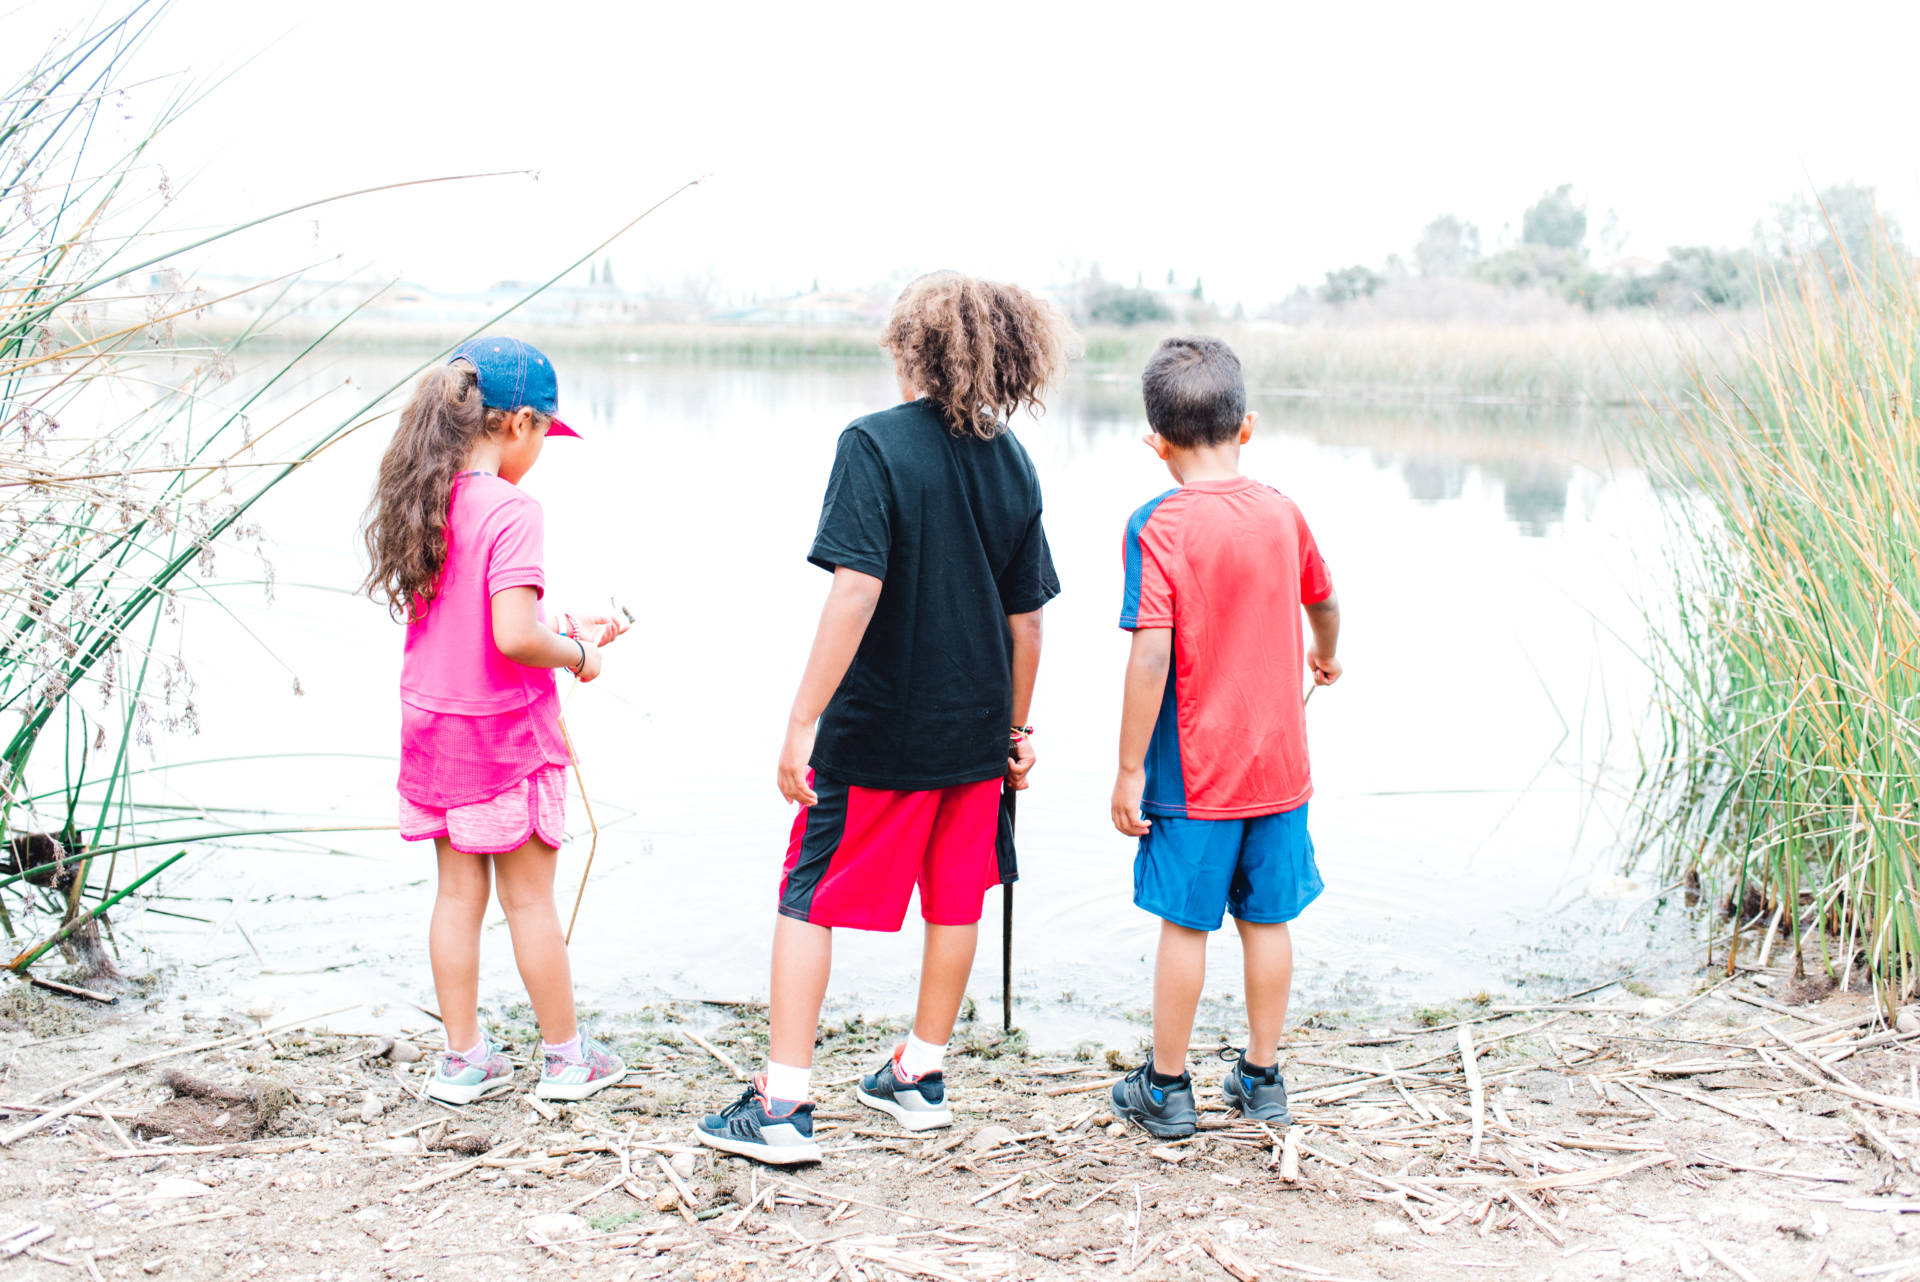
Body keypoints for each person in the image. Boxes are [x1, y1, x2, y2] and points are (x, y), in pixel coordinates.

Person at [695, 272, 1073, 1164]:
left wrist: (801, 720)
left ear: (912, 351)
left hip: (881, 732)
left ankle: (783, 1106)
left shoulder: (871, 443)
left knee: (807, 894)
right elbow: (1030, 617)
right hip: (978, 732)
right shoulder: (1011, 456)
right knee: (955, 898)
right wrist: (1017, 729)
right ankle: (919, 1075)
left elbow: (856, 588)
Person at [361, 337, 629, 1105]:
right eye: (544, 431)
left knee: (455, 897)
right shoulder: (514, 508)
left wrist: (558, 618)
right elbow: (513, 638)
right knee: (529, 901)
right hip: (500, 736)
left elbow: (474, 619)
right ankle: (567, 1059)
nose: (543, 447)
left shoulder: (422, 495)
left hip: (434, 728)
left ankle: (464, 1060)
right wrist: (577, 652)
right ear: (514, 424)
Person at [1107, 336, 1342, 1138]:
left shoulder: (1157, 525)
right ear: (1247, 428)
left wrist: (1128, 767)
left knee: (1186, 924)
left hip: (1195, 773)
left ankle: (1166, 1089)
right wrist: (1327, 655)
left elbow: (1151, 651)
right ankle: (1263, 1077)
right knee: (1266, 922)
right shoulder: (1283, 511)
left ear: (1156, 445)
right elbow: (1325, 597)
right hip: (1279, 766)